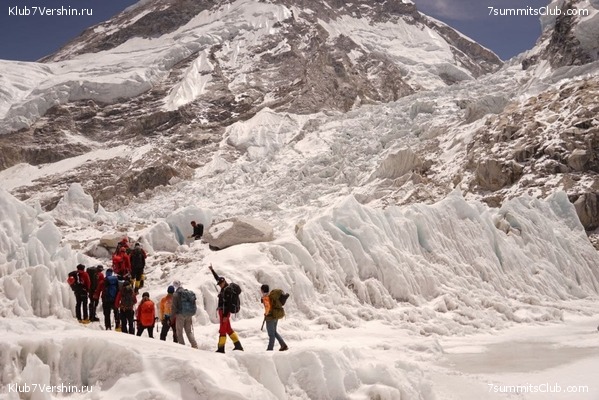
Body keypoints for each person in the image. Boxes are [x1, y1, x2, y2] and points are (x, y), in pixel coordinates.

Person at [209, 265, 243, 352]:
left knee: (222, 330)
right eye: (219, 284)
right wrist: (212, 270)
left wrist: (224, 316)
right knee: (228, 329)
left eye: (220, 284)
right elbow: (217, 278)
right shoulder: (225, 287)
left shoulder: (227, 291)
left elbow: (227, 304)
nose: (220, 285)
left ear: (224, 282)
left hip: (224, 312)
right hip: (223, 312)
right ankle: (238, 346)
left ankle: (221, 348)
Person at [261, 284, 289, 351]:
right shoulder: (271, 296)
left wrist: (266, 314)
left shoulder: (266, 297)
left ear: (262, 290)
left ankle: (270, 349)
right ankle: (283, 345)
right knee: (274, 332)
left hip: (270, 318)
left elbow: (268, 308)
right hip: (275, 316)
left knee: (271, 334)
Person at [171, 280, 198, 348]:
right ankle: (194, 345)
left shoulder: (175, 294)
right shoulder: (187, 293)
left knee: (179, 332)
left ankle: (182, 347)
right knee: (189, 331)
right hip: (189, 314)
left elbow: (174, 308)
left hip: (180, 315)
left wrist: (171, 318)